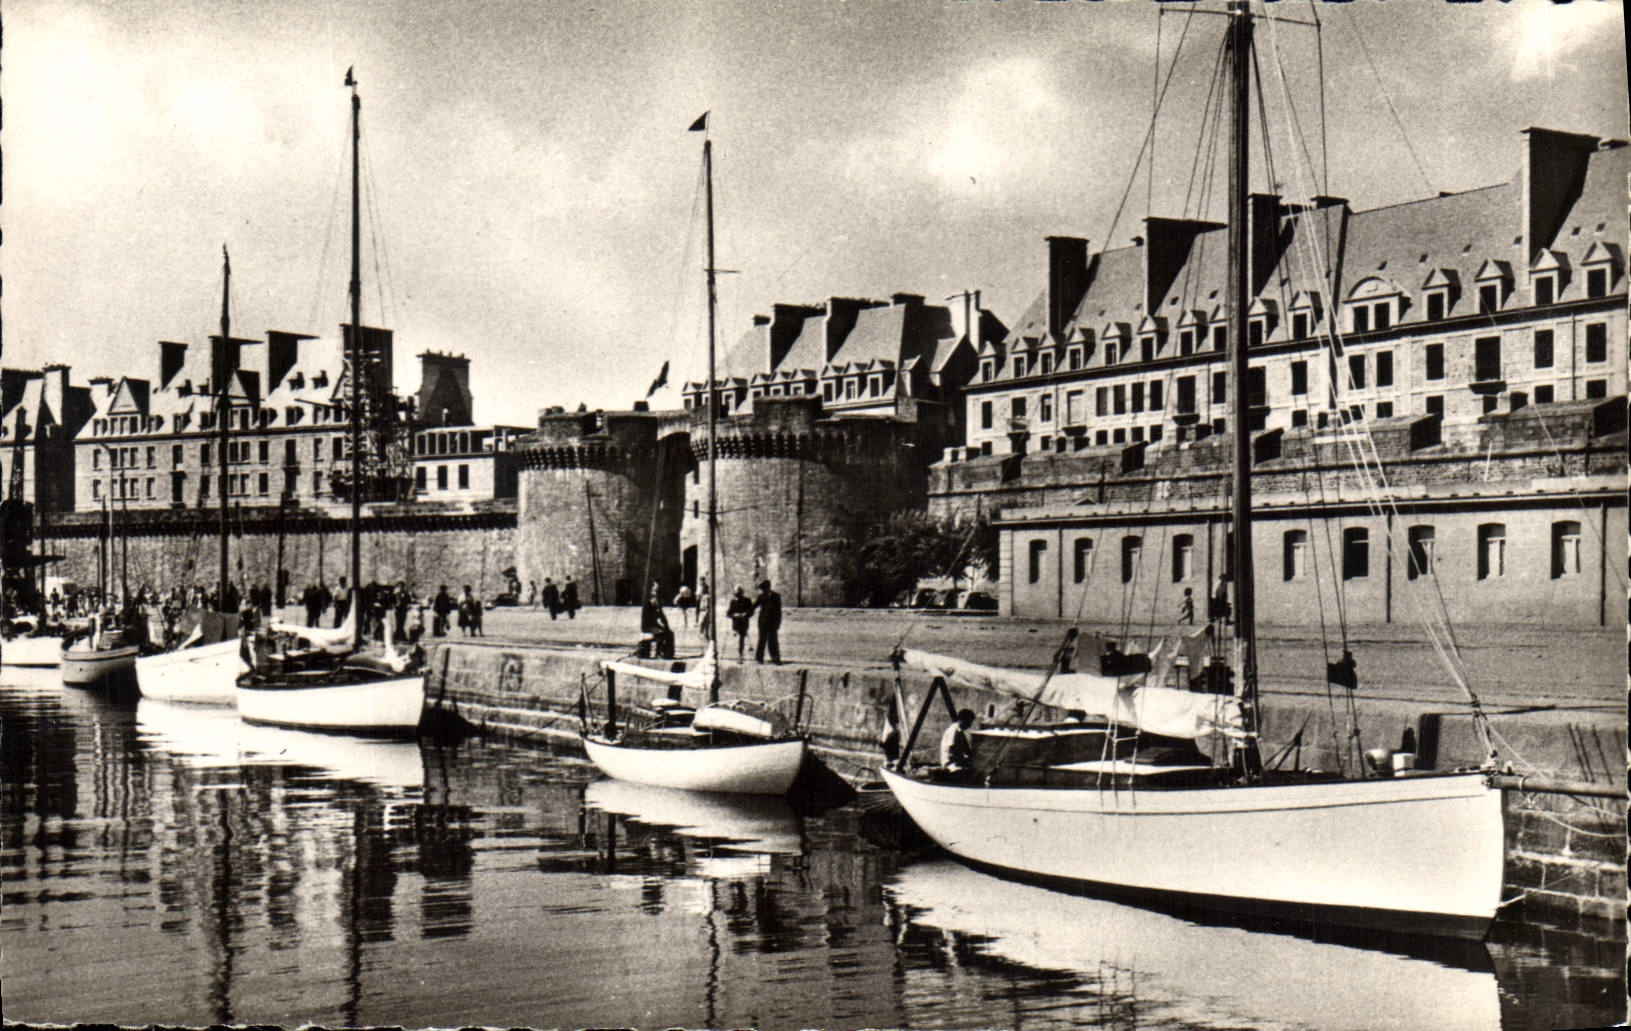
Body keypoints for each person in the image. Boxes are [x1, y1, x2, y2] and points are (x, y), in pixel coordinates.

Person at [640, 581, 673, 659]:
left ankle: (668, 653)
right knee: (661, 633)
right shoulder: (649, 602)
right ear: (651, 592)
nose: (657, 595)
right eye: (655, 591)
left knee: (669, 633)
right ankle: (658, 653)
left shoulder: (657, 602)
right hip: (647, 626)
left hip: (654, 625)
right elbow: (648, 619)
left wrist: (667, 626)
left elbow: (662, 616)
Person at [752, 579, 782, 665]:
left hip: (772, 623)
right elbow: (754, 606)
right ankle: (759, 658)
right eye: (762, 589)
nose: (763, 590)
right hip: (762, 622)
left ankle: (775, 658)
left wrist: (778, 623)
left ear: (768, 587)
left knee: (773, 640)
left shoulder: (776, 596)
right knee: (762, 640)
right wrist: (745, 614)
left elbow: (778, 612)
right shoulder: (761, 597)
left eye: (764, 588)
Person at [940, 708, 976, 773]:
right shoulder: (952, 730)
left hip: (956, 762)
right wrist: (964, 760)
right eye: (968, 722)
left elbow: (967, 750)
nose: (969, 726)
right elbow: (951, 752)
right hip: (949, 764)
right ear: (962, 720)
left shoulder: (960, 732)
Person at [726, 585, 753, 660]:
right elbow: (728, 613)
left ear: (742, 593)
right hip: (736, 623)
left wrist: (745, 614)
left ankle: (740, 653)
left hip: (744, 622)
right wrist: (734, 615)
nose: (737, 595)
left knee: (742, 637)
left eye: (739, 593)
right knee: (740, 637)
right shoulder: (733, 601)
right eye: (736, 593)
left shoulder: (747, 600)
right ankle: (739, 652)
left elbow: (751, 611)